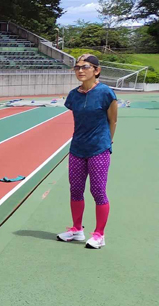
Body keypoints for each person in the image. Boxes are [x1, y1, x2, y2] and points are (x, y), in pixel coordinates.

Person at [57, 54, 117, 249]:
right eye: (77, 68)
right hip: (77, 149)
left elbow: (113, 120)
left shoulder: (106, 93)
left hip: (98, 148)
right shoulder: (73, 95)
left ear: (96, 70)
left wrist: (108, 142)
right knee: (75, 189)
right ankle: (77, 230)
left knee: (98, 191)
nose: (80, 71)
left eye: (85, 67)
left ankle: (99, 234)